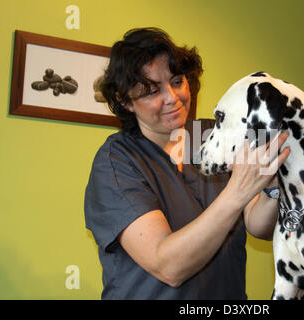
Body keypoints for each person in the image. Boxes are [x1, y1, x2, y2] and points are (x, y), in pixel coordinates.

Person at [84, 27, 290, 299]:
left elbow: (257, 225)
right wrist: (238, 191)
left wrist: (271, 188)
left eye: (177, 81)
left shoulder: (211, 135)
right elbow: (168, 266)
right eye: (151, 91)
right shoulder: (117, 162)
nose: (172, 97)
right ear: (126, 103)